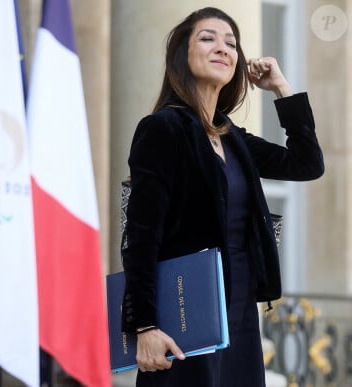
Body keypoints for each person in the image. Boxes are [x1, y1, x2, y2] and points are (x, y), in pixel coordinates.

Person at [121, 7, 324, 387]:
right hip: (185, 311)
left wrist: (281, 88)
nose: (223, 48)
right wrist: (144, 325)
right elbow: (141, 236)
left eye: (231, 43)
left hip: (241, 311)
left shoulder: (234, 139)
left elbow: (306, 164)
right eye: (208, 38)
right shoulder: (163, 129)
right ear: (181, 55)